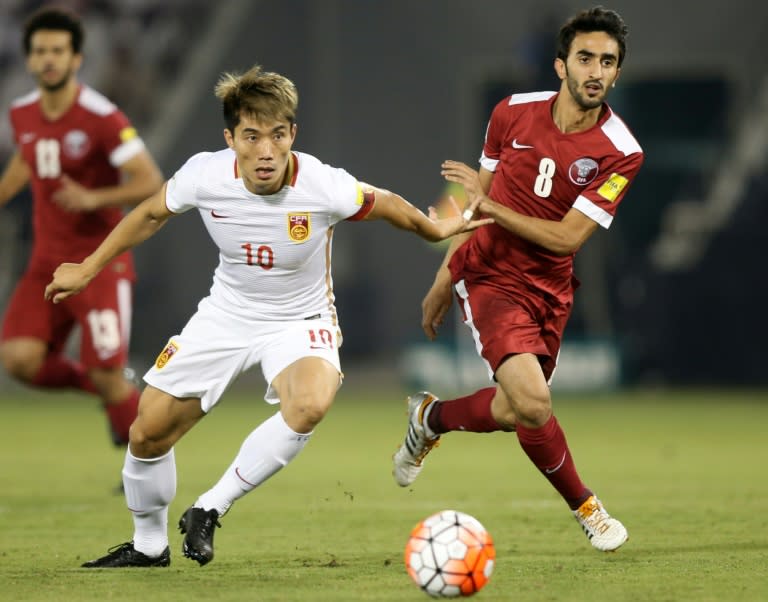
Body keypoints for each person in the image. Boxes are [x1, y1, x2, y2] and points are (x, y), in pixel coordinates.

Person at [44, 64, 491, 568]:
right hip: (227, 313)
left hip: (301, 319)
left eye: (277, 135)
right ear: (230, 138)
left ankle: (209, 508)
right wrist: (88, 267)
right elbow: (149, 213)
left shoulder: (323, 185)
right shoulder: (204, 175)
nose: (266, 151)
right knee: (148, 432)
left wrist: (436, 231)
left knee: (309, 404)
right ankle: (149, 545)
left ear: (292, 135)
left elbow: (386, 203)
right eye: (251, 136)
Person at [392, 6, 643, 553]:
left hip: (550, 287)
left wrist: (491, 207)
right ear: (560, 65)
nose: (595, 70)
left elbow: (567, 239)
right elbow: (472, 205)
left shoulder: (622, 152)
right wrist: (445, 272)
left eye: (607, 61)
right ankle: (587, 507)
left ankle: (429, 417)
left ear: (617, 72)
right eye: (585, 58)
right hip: (488, 274)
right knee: (533, 404)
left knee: (515, 410)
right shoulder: (510, 112)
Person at [0, 8, 163, 456]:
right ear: (29, 59)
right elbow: (25, 160)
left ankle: (145, 464)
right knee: (19, 360)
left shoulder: (101, 116)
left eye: (58, 50)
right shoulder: (22, 113)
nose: (48, 59)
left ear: (76, 59)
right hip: (46, 263)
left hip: (98, 263)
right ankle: (115, 390)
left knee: (105, 371)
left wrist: (93, 199)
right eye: (39, 51)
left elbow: (150, 181)